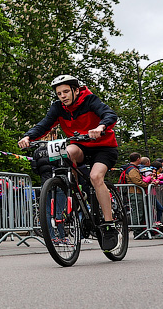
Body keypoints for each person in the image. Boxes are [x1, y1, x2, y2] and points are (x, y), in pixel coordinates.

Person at [17, 74, 120, 251]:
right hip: (80, 146)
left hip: (103, 147)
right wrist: (28, 136)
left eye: (66, 91)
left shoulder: (89, 100)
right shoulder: (58, 108)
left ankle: (109, 225)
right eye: (59, 93)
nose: (63, 96)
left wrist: (100, 127)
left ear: (75, 90)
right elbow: (44, 124)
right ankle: (76, 190)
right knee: (67, 152)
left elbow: (109, 114)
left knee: (96, 177)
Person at [119, 152, 148, 227]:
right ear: (138, 159)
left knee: (138, 211)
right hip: (135, 192)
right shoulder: (132, 169)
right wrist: (147, 185)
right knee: (138, 212)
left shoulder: (131, 168)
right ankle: (137, 230)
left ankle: (139, 229)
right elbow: (137, 181)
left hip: (135, 192)